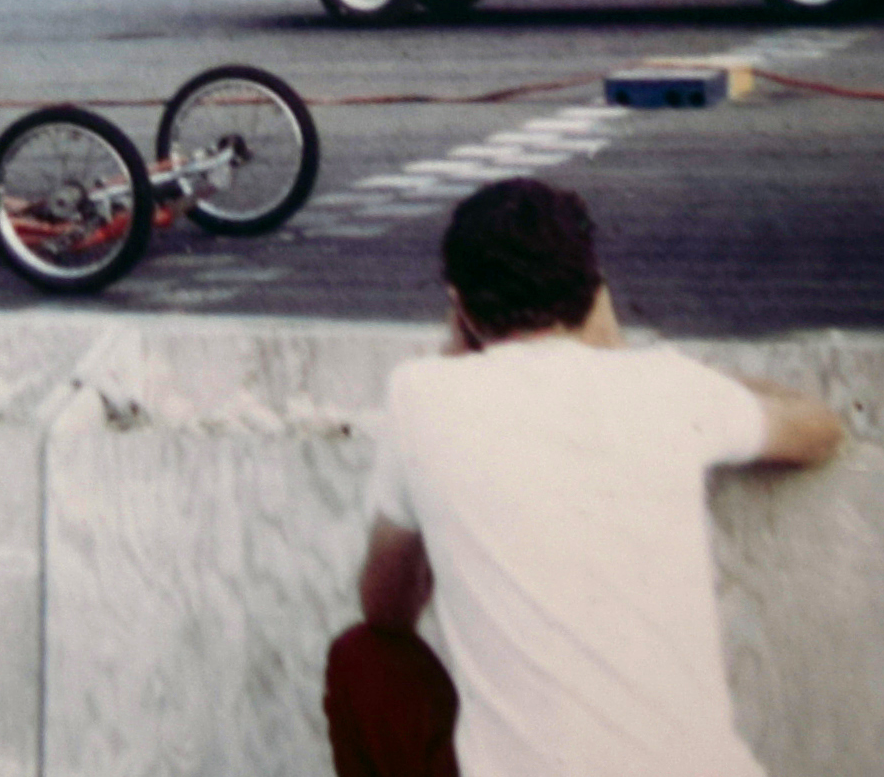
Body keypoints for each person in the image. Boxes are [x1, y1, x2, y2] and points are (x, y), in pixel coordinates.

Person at [323, 179, 842, 777]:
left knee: (362, 660)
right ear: (596, 293)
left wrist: (453, 357)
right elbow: (819, 429)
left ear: (459, 305)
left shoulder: (421, 394)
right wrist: (628, 356)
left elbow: (385, 610)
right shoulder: (666, 386)